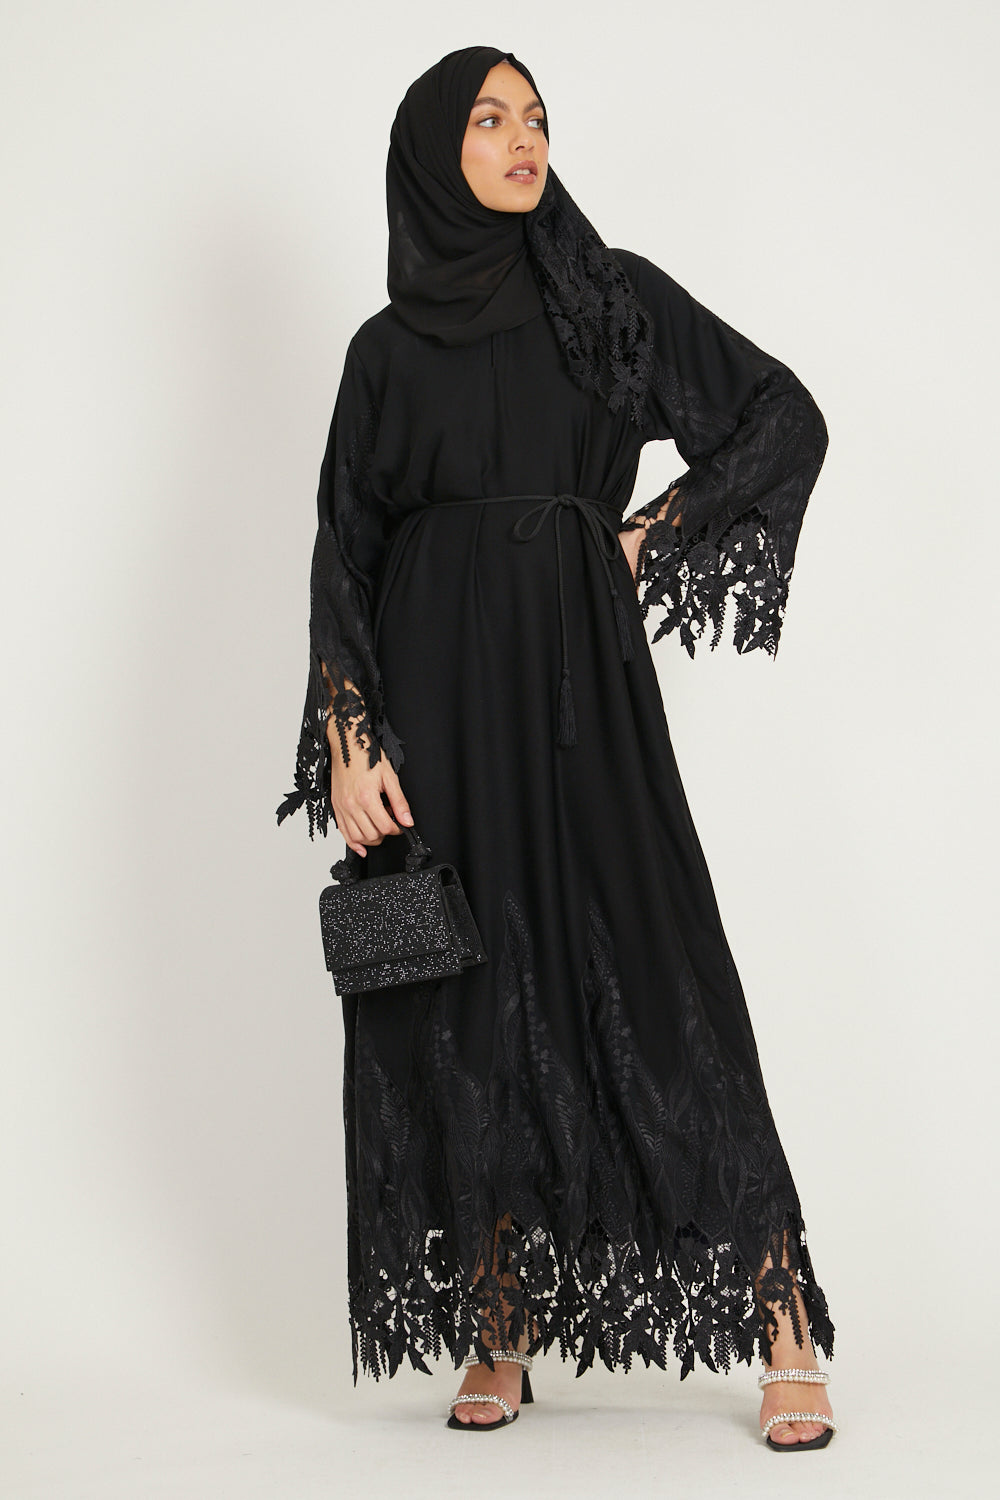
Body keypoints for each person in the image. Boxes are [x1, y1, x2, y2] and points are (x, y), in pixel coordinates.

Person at [276, 46, 838, 1450]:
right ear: (434, 152)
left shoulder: (607, 300)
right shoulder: (383, 353)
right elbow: (345, 550)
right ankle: (499, 1325)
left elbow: (782, 414)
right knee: (461, 994)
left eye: (535, 117)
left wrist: (654, 530)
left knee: (656, 962)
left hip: (582, 681)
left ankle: (783, 1321)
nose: (522, 138)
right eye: (490, 118)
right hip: (433, 700)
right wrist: (347, 735)